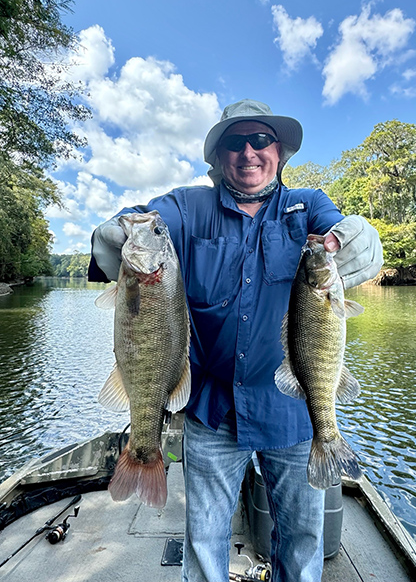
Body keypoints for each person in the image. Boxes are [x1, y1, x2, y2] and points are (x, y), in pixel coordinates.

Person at [89, 99, 383, 582]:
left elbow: (349, 239)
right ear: (218, 156)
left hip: (292, 409)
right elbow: (132, 224)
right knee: (204, 541)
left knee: (304, 542)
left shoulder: (306, 206)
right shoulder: (187, 208)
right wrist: (117, 231)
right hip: (211, 408)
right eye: (234, 142)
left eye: (260, 140)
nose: (248, 152)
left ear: (280, 151)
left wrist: (357, 239)